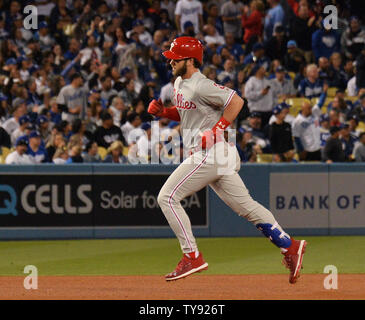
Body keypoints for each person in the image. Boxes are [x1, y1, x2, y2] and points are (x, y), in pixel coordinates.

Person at [148, 36, 307, 283]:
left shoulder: (201, 84)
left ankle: (192, 256)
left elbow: (237, 101)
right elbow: (188, 115)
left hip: (211, 151)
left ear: (190, 60)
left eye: (175, 58)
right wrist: (164, 113)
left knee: (167, 197)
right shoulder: (180, 82)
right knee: (247, 208)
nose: (170, 62)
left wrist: (217, 128)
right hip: (216, 154)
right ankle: (290, 246)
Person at [292, 93, 326, 161]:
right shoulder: (297, 121)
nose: (311, 110)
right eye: (308, 109)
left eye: (310, 108)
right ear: (303, 109)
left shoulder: (314, 112)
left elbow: (320, 103)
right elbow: (296, 137)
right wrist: (301, 150)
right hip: (307, 151)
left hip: (318, 148)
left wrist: (324, 92)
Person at [244, 63, 275, 128]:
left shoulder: (268, 81)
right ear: (257, 70)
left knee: (267, 132)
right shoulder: (251, 81)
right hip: (256, 112)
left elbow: (273, 96)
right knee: (256, 132)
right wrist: (260, 93)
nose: (264, 70)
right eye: (262, 68)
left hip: (268, 112)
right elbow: (247, 95)